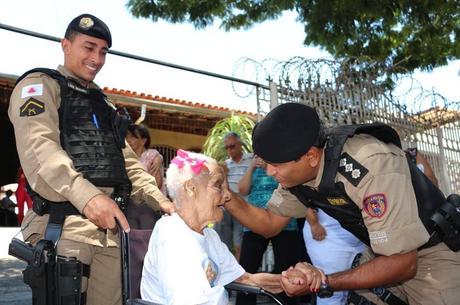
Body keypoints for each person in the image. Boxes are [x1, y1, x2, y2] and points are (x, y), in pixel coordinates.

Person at [8, 14, 175, 305]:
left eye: (103, 51)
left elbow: (126, 161)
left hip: (111, 233)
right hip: (64, 226)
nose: (97, 58)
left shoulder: (103, 103)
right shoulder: (39, 86)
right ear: (66, 45)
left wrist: (158, 199)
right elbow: (40, 151)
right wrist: (88, 198)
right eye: (89, 47)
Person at [223, 103, 460, 305]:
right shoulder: (297, 175)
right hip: (384, 255)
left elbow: (403, 263)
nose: (271, 172)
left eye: (277, 165)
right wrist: (226, 196)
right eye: (267, 164)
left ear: (311, 156)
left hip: (431, 256)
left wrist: (323, 281)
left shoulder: (368, 163)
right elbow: (269, 223)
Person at [140, 150, 284, 305]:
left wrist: (285, 281)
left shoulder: (209, 235)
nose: (227, 195)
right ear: (191, 188)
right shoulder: (172, 236)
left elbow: (245, 279)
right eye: (218, 185)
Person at [236, 155, 301, 305]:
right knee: (247, 268)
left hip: (284, 223)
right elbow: (242, 190)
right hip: (255, 222)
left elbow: (292, 186)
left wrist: (270, 167)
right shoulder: (253, 167)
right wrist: (252, 167)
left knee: (286, 270)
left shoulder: (283, 164)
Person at [303, 208, 366, 305]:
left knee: (360, 289)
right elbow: (303, 200)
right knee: (330, 292)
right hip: (327, 234)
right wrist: (314, 224)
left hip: (358, 234)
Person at [213, 131, 252, 259]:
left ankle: (239, 275)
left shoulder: (251, 160)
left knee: (240, 243)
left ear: (240, 144)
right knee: (221, 241)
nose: (229, 150)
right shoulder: (225, 165)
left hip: (244, 207)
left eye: (232, 146)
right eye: (227, 147)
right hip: (228, 207)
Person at [126, 124, 165, 229]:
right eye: (127, 137)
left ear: (143, 141)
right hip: (131, 206)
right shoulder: (127, 158)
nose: (129, 140)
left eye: (133, 137)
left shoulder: (152, 156)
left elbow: (157, 183)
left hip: (149, 207)